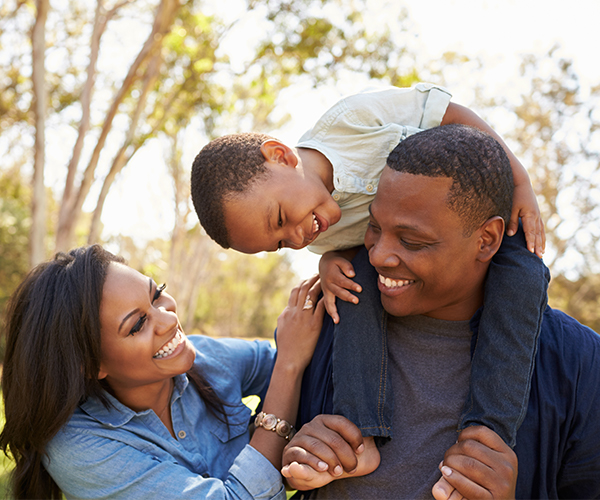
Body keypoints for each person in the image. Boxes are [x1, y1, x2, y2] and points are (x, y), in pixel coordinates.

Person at [190, 83, 549, 452]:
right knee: (351, 289)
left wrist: (518, 180)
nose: (297, 238)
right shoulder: (318, 233)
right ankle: (359, 433)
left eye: (281, 218)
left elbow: (449, 113)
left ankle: (490, 432)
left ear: (280, 156)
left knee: (525, 274)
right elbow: (349, 247)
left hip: (471, 217)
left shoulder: (351, 121)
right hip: (408, 262)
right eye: (281, 243)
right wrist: (330, 261)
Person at [281, 124, 600, 499]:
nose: (379, 255)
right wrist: (296, 462)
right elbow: (261, 455)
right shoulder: (329, 319)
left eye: (412, 241)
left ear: (488, 239)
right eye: (374, 227)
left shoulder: (578, 364)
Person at [0, 244, 329, 500]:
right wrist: (288, 367)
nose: (169, 319)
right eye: (139, 324)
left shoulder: (206, 358)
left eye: (156, 295)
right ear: (91, 365)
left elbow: (312, 363)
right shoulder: (79, 448)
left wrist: (333, 263)